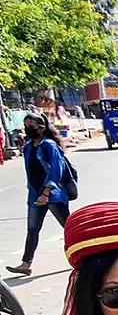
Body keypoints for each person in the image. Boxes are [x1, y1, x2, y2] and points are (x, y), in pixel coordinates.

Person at [7, 111, 70, 276]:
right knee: (32, 228)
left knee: (69, 227)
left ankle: (84, 256)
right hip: (35, 195)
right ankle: (26, 263)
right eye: (26, 125)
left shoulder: (49, 145)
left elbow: (57, 169)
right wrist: (37, 194)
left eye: (31, 125)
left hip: (53, 194)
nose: (28, 128)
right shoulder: (28, 148)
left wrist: (47, 191)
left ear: (41, 128)